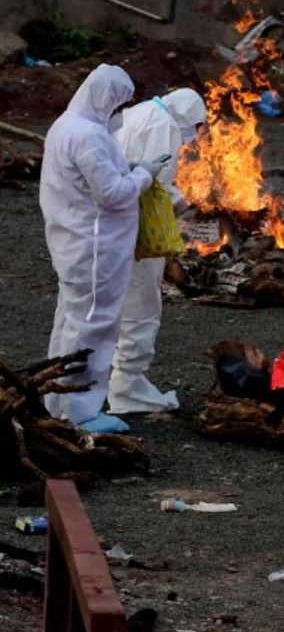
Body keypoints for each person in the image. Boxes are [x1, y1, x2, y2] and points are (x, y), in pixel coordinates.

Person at [39, 64, 167, 433]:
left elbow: (96, 173)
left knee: (70, 321)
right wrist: (145, 174)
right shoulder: (88, 136)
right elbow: (112, 194)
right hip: (94, 247)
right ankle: (80, 411)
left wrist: (130, 165)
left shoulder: (69, 125)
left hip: (74, 242)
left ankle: (57, 400)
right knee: (93, 325)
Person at [108, 87, 207, 415]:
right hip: (139, 225)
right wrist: (186, 203)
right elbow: (157, 185)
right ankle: (128, 386)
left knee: (114, 302)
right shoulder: (162, 125)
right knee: (142, 303)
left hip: (114, 220)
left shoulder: (137, 113)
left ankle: (104, 381)